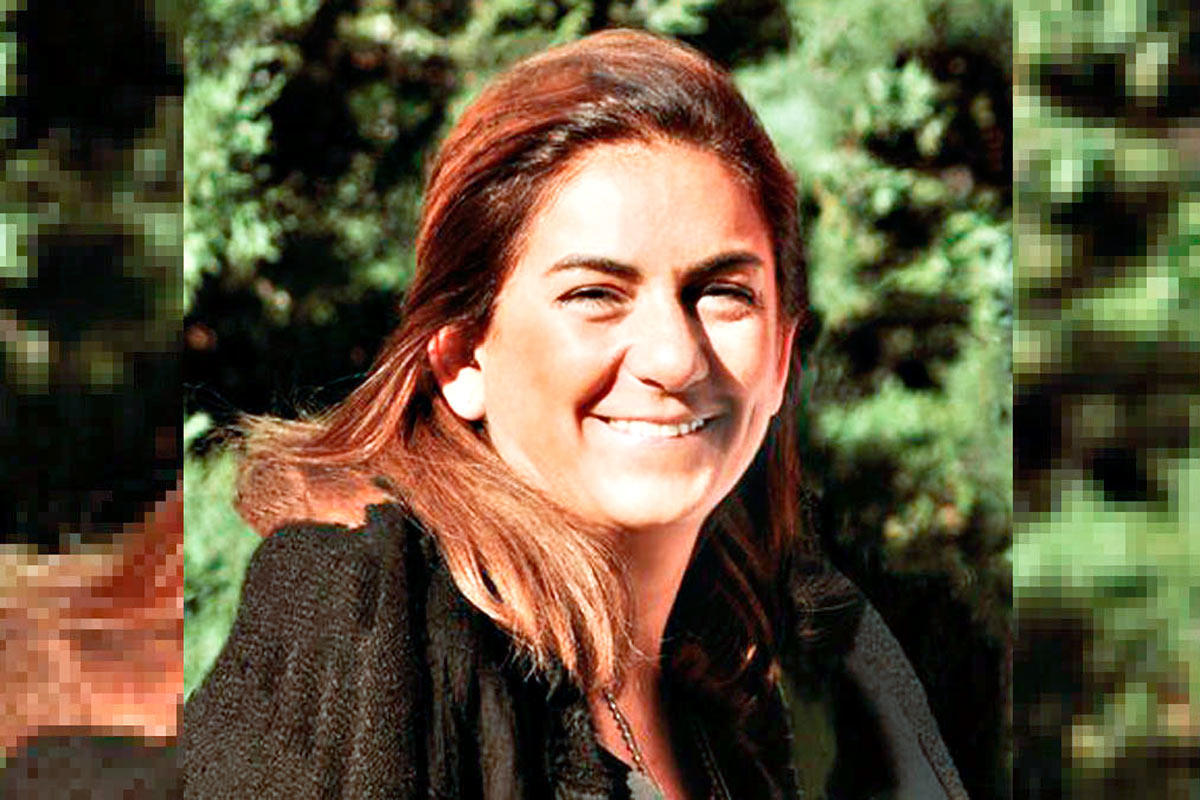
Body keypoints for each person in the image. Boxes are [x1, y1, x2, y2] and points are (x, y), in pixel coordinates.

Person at [183, 29, 967, 800]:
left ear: (782, 357)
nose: (674, 358)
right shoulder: (365, 619)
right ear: (462, 361)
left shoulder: (781, 675)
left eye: (722, 293)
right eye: (595, 295)